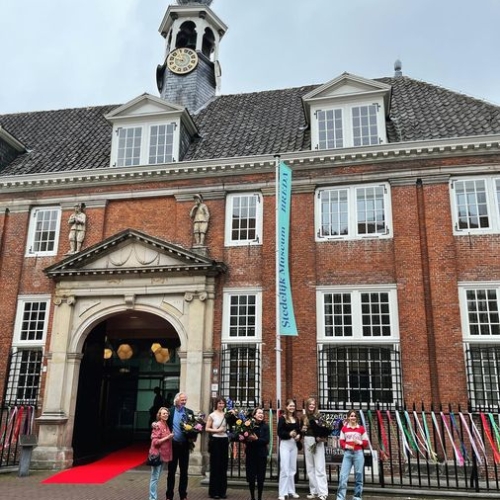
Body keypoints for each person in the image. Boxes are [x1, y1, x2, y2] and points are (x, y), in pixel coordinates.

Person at [166, 392, 194, 500]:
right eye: (182, 400)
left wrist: (194, 432)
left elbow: (194, 427)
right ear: (176, 400)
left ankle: (183, 495)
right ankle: (169, 495)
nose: (184, 402)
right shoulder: (170, 411)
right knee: (171, 471)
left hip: (184, 446)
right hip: (173, 445)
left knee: (184, 472)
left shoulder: (189, 412)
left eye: (185, 400)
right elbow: (162, 423)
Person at [336, 410, 369, 500]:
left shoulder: (361, 429)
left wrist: (359, 442)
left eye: (354, 416)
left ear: (356, 417)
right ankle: (340, 497)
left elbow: (366, 443)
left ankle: (357, 497)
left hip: (358, 453)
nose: (353, 417)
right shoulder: (344, 429)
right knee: (343, 476)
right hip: (347, 454)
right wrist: (347, 446)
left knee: (359, 476)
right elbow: (341, 441)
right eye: (351, 416)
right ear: (348, 417)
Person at [301, 398, 328, 500]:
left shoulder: (319, 416)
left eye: (313, 404)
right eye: (310, 404)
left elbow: (325, 429)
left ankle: (323, 492)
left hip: (317, 442)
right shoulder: (304, 416)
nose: (312, 406)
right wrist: (302, 430)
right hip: (307, 440)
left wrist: (322, 436)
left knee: (320, 467)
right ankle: (314, 491)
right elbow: (301, 430)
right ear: (307, 405)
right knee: (310, 467)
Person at [205, 397, 229, 499]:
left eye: (222, 403)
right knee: (215, 466)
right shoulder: (212, 415)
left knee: (223, 466)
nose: (221, 405)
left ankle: (222, 491)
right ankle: (214, 492)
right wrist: (217, 431)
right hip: (215, 441)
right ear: (216, 404)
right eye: (219, 403)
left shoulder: (226, 415)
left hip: (224, 440)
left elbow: (230, 426)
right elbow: (207, 428)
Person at [277, 399, 301, 500]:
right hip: (285, 444)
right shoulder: (282, 418)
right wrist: (289, 434)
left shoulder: (296, 418)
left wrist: (299, 436)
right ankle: (282, 493)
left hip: (293, 444)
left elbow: (299, 431)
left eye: (293, 406)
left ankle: (291, 491)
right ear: (286, 407)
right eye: (290, 406)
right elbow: (279, 432)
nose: (292, 408)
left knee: (292, 469)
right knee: (285, 469)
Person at [245, 407, 270, 500]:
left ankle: (259, 497)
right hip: (251, 454)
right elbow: (245, 438)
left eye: (262, 413)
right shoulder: (248, 426)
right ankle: (252, 497)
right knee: (251, 478)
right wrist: (247, 439)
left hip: (261, 455)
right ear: (254, 415)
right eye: (259, 413)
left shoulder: (265, 426)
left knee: (260, 479)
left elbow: (266, 440)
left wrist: (256, 439)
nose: (261, 414)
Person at [149, 407, 174, 500]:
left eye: (167, 413)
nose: (166, 415)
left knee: (157, 478)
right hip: (157, 455)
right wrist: (168, 437)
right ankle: (152, 498)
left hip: (164, 455)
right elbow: (155, 441)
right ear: (159, 415)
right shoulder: (158, 425)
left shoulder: (166, 424)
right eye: (164, 413)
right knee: (154, 478)